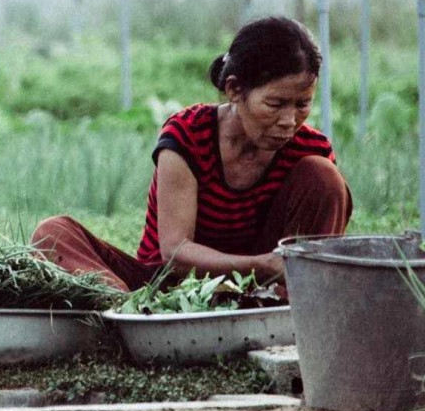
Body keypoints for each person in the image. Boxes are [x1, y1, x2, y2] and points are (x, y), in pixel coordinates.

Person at [31, 16, 352, 293]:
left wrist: (270, 276)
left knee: (324, 176)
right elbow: (175, 253)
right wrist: (260, 265)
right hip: (166, 287)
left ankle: (288, 310)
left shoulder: (310, 149)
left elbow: (318, 255)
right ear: (235, 90)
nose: (289, 120)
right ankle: (125, 309)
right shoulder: (187, 135)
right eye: (275, 104)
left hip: (264, 292)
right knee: (52, 233)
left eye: (302, 104)